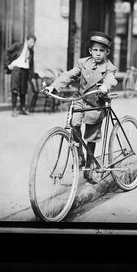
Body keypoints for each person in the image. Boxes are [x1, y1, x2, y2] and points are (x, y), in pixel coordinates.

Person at [44, 31, 117, 184]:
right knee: (74, 124)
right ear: (90, 51)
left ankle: (90, 167)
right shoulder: (83, 62)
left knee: (91, 136)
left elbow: (111, 79)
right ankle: (80, 158)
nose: (98, 54)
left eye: (101, 50)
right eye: (95, 50)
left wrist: (105, 86)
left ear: (107, 52)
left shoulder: (109, 67)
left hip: (96, 103)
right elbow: (70, 75)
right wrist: (54, 87)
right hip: (80, 100)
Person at [4, 34, 37, 117]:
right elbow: (7, 52)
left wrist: (31, 76)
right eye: (31, 42)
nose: (32, 44)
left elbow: (31, 64)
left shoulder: (31, 51)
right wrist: (8, 64)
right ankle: (14, 109)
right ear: (26, 40)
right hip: (16, 69)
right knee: (15, 89)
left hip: (25, 70)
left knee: (23, 90)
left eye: (34, 43)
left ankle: (23, 109)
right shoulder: (18, 46)